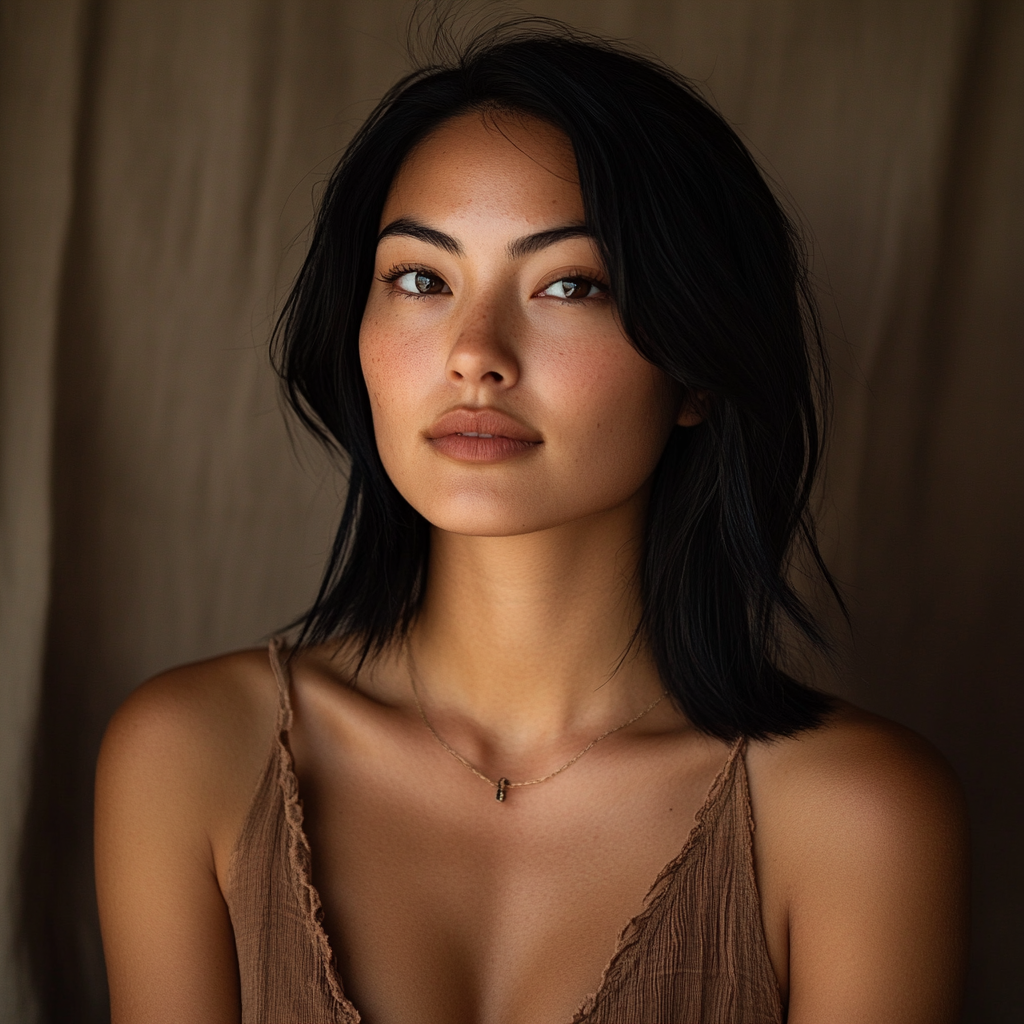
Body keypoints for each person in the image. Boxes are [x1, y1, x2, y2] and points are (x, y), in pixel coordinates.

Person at [94, 20, 969, 1024]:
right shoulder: (191, 755)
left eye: (569, 285)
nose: (474, 352)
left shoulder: (857, 819)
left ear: (693, 366)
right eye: (421, 279)